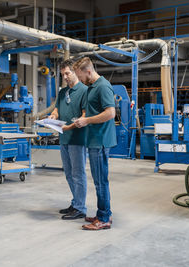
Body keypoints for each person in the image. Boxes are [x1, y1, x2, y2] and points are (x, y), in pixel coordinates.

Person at [73, 57, 117, 230]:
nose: (80, 80)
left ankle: (104, 218)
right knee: (99, 180)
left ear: (88, 72)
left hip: (100, 141)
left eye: (80, 76)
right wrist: (82, 120)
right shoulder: (92, 87)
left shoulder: (103, 86)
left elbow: (111, 113)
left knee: (100, 182)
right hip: (94, 140)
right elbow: (93, 111)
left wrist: (87, 120)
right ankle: (102, 213)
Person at [49, 59, 88, 220]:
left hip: (77, 138)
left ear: (75, 72)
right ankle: (76, 202)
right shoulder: (63, 92)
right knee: (69, 174)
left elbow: (86, 115)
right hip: (63, 138)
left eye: (67, 73)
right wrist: (53, 116)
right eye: (62, 74)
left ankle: (80, 207)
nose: (65, 77)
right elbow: (57, 108)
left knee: (78, 174)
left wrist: (70, 127)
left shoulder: (84, 91)